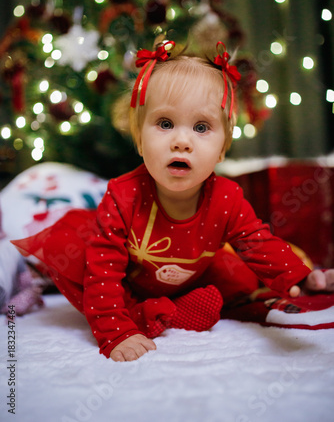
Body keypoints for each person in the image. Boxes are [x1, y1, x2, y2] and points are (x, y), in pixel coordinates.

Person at [13, 40, 334, 362]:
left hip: (190, 275)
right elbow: (104, 273)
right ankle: (142, 315)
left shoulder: (226, 198)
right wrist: (116, 332)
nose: (182, 141)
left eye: (202, 127)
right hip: (129, 284)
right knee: (75, 255)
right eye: (165, 124)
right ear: (139, 137)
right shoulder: (123, 196)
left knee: (238, 278)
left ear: (223, 148)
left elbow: (257, 243)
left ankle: (176, 309)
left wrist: (300, 277)